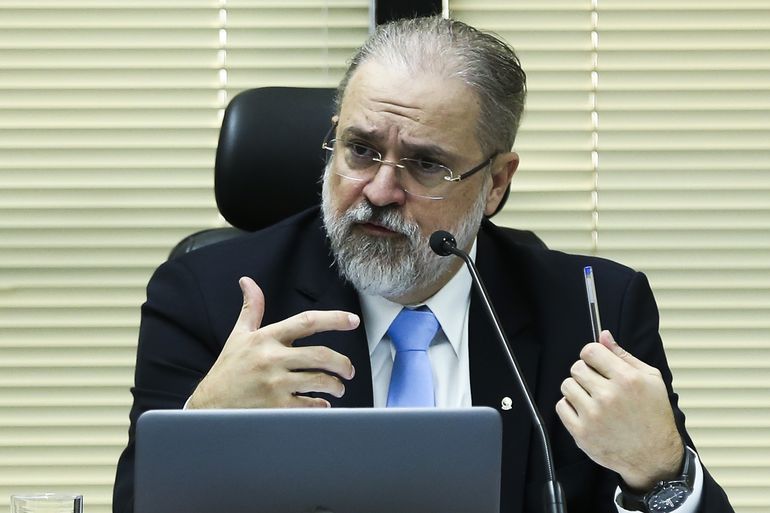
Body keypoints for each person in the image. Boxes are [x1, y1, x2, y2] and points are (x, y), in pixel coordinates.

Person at [113, 16, 734, 513]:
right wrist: (204, 427)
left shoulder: (592, 311)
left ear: (496, 183)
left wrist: (662, 470)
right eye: (360, 150)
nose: (381, 190)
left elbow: (666, 488)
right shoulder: (208, 298)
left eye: (427, 164)